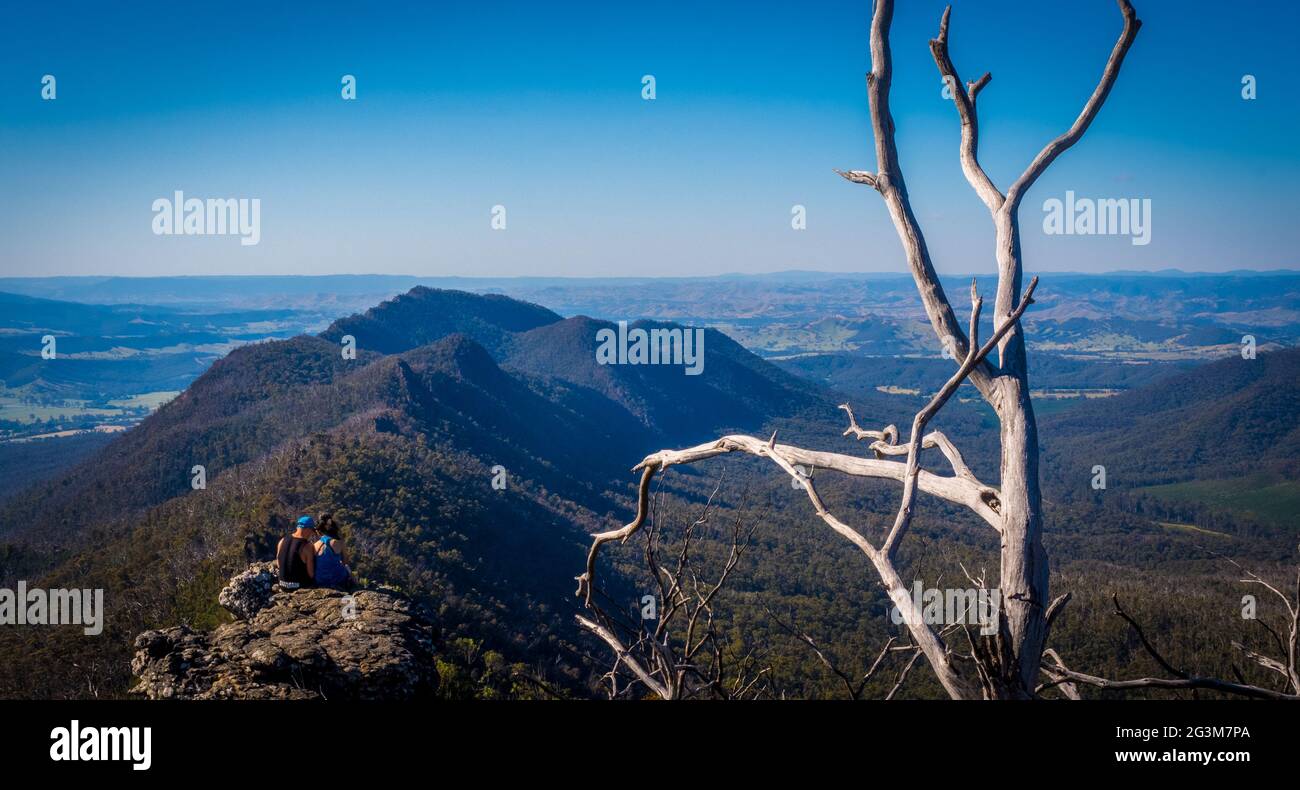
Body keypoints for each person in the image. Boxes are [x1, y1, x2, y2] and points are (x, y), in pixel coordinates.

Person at [313, 513, 353, 590]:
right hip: (337, 580)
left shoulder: (315, 545)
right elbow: (346, 562)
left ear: (318, 530)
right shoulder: (338, 542)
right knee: (348, 570)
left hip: (319, 581)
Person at [276, 515, 317, 589]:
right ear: (307, 529)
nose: (312, 534)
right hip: (299, 586)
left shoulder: (282, 540)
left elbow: (279, 563)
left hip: (282, 584)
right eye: (312, 530)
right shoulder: (307, 546)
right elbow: (311, 574)